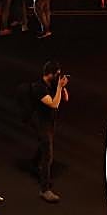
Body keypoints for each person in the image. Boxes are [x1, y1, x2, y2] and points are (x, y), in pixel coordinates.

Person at [30, 61, 69, 202]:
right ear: (50, 74)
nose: (58, 77)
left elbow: (65, 98)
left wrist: (62, 87)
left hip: (50, 123)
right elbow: (54, 104)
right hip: (41, 124)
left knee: (43, 147)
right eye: (57, 74)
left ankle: (35, 166)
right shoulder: (38, 87)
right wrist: (58, 87)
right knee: (48, 155)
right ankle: (44, 189)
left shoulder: (52, 85)